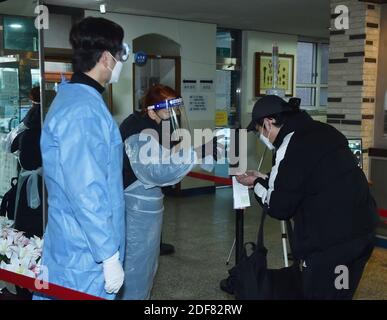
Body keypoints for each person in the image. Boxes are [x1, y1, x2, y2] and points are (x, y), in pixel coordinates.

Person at [236, 95, 379, 300]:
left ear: (268, 123)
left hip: (332, 247)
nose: (262, 136)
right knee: (340, 292)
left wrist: (255, 184)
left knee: (323, 293)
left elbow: (279, 206)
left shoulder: (289, 144)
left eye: (259, 131)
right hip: (361, 236)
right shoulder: (323, 131)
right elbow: (306, 180)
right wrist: (265, 179)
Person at [33, 17, 130, 300]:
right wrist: (108, 256)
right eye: (120, 54)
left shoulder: (73, 98)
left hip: (73, 245)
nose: (121, 62)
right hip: (86, 256)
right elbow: (87, 191)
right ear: (105, 58)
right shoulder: (83, 111)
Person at [118, 84, 220, 300]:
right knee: (135, 271)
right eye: (167, 112)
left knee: (147, 267)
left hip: (146, 208)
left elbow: (162, 156)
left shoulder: (151, 125)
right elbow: (153, 171)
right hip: (134, 209)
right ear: (151, 110)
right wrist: (194, 154)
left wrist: (199, 151)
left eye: (175, 111)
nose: (171, 116)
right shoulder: (137, 129)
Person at [2, 87, 43, 238]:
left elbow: (9, 145)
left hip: (27, 178)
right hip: (46, 179)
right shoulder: (49, 122)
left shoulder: (27, 126)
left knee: (26, 217)